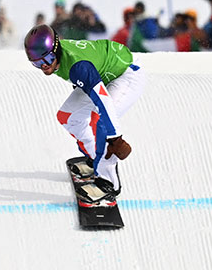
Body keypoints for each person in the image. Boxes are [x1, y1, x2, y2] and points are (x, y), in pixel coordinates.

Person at [23, 25, 146, 203]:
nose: (45, 67)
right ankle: (96, 157)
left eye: (48, 59)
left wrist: (115, 139)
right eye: (37, 63)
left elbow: (103, 102)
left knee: (102, 122)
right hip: (102, 74)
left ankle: (109, 183)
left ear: (56, 49)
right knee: (68, 116)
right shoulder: (61, 59)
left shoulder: (78, 66)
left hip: (126, 74)